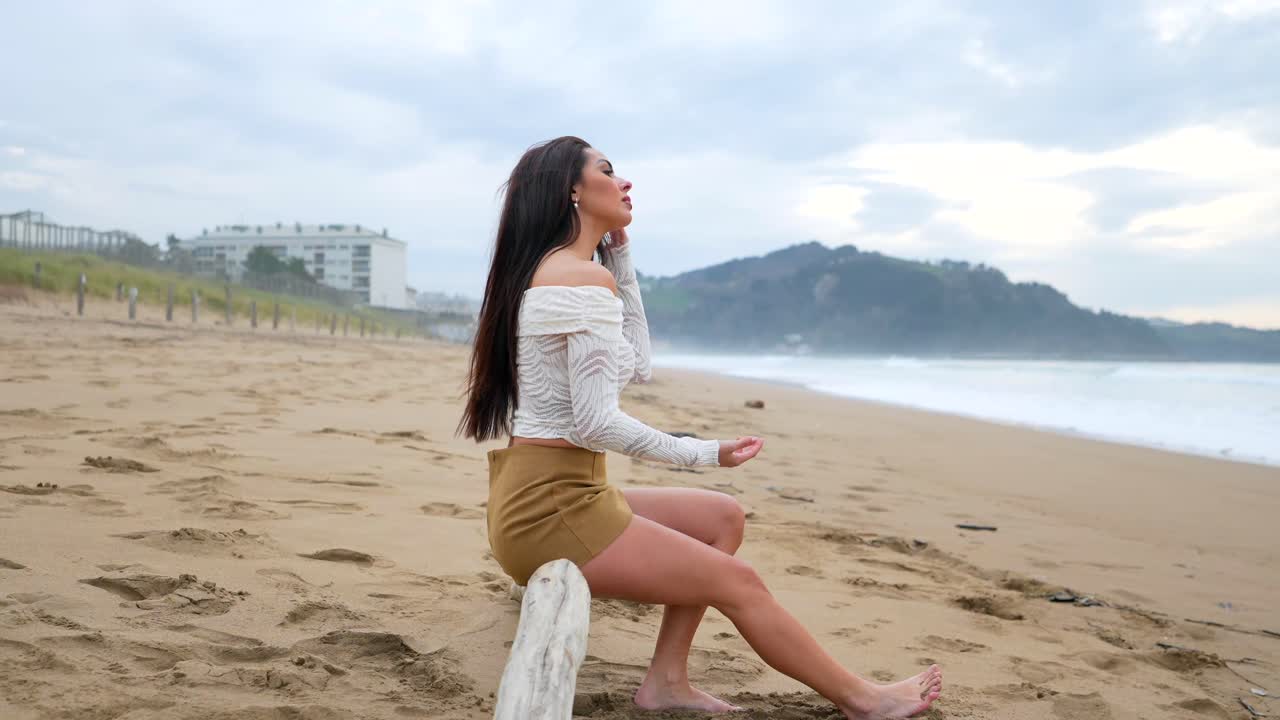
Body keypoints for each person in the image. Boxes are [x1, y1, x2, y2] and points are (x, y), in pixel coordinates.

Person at [459, 136, 942, 718]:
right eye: (608, 171)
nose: (625, 182)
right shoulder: (575, 281)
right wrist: (705, 452)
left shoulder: (572, 275)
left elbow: (636, 366)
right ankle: (865, 701)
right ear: (573, 191)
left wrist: (621, 261)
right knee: (739, 583)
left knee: (722, 517)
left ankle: (667, 681)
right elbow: (595, 420)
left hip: (556, 492)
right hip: (551, 510)